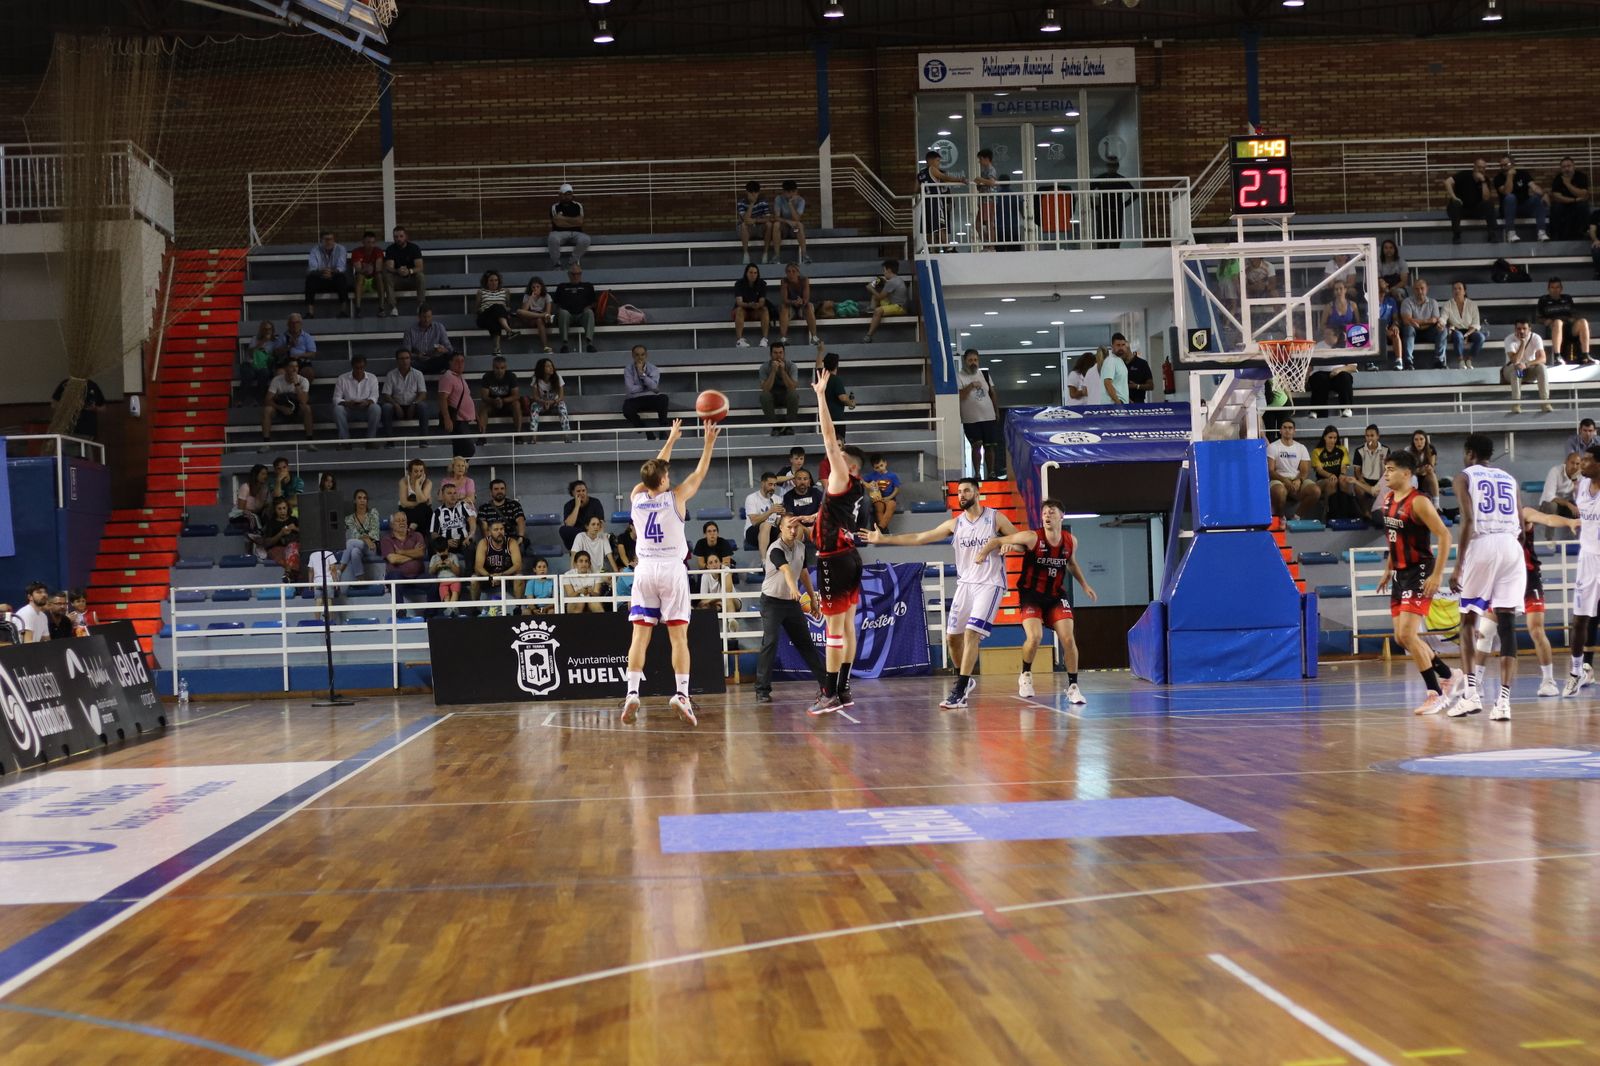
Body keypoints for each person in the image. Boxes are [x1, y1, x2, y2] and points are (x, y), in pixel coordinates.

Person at [867, 478, 1017, 709]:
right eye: (959, 492)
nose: (962, 495)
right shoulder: (955, 524)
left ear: (978, 493)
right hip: (965, 584)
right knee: (952, 638)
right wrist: (884, 538)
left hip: (990, 583)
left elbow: (1022, 541)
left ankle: (960, 689)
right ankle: (963, 678)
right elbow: (919, 538)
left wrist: (1009, 544)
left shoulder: (995, 518)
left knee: (970, 634)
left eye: (967, 491)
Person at [620, 419, 722, 726]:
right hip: (671, 572)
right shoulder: (676, 497)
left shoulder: (637, 496)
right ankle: (681, 695)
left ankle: (632, 693)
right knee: (679, 638)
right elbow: (699, 473)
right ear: (663, 480)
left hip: (645, 570)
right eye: (667, 474)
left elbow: (654, 468)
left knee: (640, 637)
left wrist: (671, 439)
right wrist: (708, 443)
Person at [805, 369, 874, 716]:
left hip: (833, 559)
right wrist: (814, 520)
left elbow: (830, 438)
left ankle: (829, 692)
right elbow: (833, 516)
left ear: (850, 465)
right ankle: (844, 688)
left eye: (842, 457)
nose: (836, 456)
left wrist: (820, 395)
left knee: (834, 629)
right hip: (850, 557)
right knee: (847, 626)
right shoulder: (858, 488)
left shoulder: (842, 475)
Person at [985, 497, 1097, 703]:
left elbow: (1071, 563)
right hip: (1031, 595)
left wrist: (1085, 585)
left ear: (1061, 516)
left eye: (1052, 512)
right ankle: (1025, 675)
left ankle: (1073, 686)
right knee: (1035, 637)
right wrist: (1001, 548)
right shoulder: (1032, 537)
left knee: (1068, 639)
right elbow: (999, 540)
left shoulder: (1071, 541)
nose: (1047, 515)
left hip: (1055, 596)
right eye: (1045, 513)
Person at [1447, 434, 1527, 721]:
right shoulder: (1509, 478)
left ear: (1469, 453)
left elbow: (1468, 520)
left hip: (1483, 544)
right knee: (1507, 626)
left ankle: (1470, 694)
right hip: (1512, 546)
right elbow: (1522, 521)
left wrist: (1457, 567)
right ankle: (1503, 703)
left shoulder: (1464, 477)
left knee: (1467, 621)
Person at [1375, 452, 1456, 715]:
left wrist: (1437, 574)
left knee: (1409, 634)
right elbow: (1392, 539)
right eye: (1385, 469)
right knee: (1401, 637)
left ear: (1406, 474)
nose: (1386, 474)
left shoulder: (1418, 502)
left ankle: (1436, 693)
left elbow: (1445, 535)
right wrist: (1388, 569)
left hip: (1420, 570)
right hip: (1399, 572)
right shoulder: (1388, 499)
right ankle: (1449, 674)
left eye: (1390, 469)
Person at [1525, 446, 1600, 697]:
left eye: (1587, 461)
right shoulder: (1580, 490)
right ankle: (1577, 672)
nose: (1582, 465)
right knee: (1580, 619)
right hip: (1588, 560)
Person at [754, 516, 827, 704]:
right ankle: (762, 689)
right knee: (770, 642)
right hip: (771, 602)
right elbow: (786, 570)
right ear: (781, 528)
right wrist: (794, 589)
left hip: (791, 603)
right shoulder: (775, 549)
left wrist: (812, 599)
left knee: (806, 644)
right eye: (789, 527)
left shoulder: (801, 547)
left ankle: (827, 685)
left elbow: (803, 573)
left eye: (796, 527)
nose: (793, 531)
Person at [1518, 518, 1560, 696]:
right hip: (1503, 577)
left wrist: (1570, 522)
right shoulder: (1490, 517)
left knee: (1536, 630)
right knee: (1486, 631)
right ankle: (1475, 685)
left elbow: (1546, 518)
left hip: (1529, 578)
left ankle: (1549, 680)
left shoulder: (1524, 512)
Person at [956, 348, 1003, 481]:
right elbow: (959, 395)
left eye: (975, 360)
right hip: (971, 419)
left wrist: (996, 411)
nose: (973, 363)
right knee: (976, 445)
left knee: (990, 446)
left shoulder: (985, 375)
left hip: (988, 416)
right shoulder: (959, 376)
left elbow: (992, 393)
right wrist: (970, 386)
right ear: (965, 361)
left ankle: (992, 473)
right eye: (970, 360)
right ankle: (977, 473)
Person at [1267, 419, 1319, 518]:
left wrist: (1299, 480)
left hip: (1296, 480)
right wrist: (1285, 480)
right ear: (1280, 431)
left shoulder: (1301, 447)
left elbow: (1304, 470)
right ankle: (1281, 518)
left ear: (1294, 431)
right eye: (1285, 427)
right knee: (1279, 492)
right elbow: (1270, 471)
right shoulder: (1272, 447)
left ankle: (1296, 517)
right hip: (1279, 480)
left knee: (1315, 491)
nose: (1287, 430)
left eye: (1290, 428)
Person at [1501, 317, 1553, 414]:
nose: (1521, 331)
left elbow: (1543, 359)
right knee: (1517, 370)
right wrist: (1523, 343)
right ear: (1515, 329)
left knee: (1542, 367)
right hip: (1512, 370)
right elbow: (1515, 360)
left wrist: (1527, 364)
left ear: (1529, 329)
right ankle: (1516, 404)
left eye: (1524, 328)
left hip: (1528, 369)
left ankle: (1545, 402)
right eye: (1519, 329)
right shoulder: (1509, 339)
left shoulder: (1536, 337)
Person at [916, 149, 965, 251]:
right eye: (938, 160)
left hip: (926, 204)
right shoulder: (932, 169)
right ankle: (947, 247)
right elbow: (944, 177)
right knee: (941, 227)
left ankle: (930, 249)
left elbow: (915, 190)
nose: (939, 163)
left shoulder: (920, 174)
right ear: (931, 161)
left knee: (929, 229)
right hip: (935, 202)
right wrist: (960, 179)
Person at [1537, 277, 1592, 365]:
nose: (1555, 290)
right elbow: (1538, 318)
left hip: (1568, 328)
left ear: (1561, 289)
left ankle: (1586, 355)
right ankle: (1557, 356)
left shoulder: (1567, 298)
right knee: (1558, 322)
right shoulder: (1543, 300)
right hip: (1553, 328)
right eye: (1552, 287)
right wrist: (1545, 321)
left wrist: (1572, 319)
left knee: (1583, 321)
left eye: (1557, 287)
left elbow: (1575, 315)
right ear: (1548, 289)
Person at [1495, 154, 1549, 242]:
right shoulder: (1498, 178)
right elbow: (1507, 192)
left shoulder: (1523, 174)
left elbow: (1534, 187)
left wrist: (1543, 194)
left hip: (1524, 206)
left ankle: (1541, 232)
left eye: (1506, 165)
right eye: (1501, 165)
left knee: (1537, 197)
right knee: (1510, 197)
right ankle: (1511, 233)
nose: (1503, 167)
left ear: (1512, 164)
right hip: (1508, 209)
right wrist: (1509, 176)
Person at [1443, 157, 1497, 243]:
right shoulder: (1464, 174)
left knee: (1489, 204)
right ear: (1474, 167)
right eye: (1479, 167)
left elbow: (1486, 198)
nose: (1481, 170)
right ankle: (1456, 235)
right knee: (1454, 204)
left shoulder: (1485, 180)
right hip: (1461, 209)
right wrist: (1454, 197)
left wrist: (1483, 181)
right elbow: (1447, 182)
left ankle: (1492, 234)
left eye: (1483, 168)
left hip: (1475, 210)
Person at [380, 512, 427, 612]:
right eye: (398, 521)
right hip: (398, 576)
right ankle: (400, 611)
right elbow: (393, 559)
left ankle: (432, 614)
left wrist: (401, 552)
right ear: (392, 525)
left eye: (403, 520)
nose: (402, 523)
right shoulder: (386, 540)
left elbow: (421, 553)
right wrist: (413, 555)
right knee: (394, 577)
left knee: (434, 582)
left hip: (418, 576)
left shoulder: (417, 535)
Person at [1310, 425, 1359, 517]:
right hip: (1322, 481)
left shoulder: (1342, 449)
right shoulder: (1317, 451)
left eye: (1335, 438)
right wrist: (1330, 475)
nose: (1333, 440)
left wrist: (1342, 474)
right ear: (1324, 437)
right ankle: (1329, 514)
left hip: (1338, 478)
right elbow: (1319, 470)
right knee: (1332, 481)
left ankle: (1346, 514)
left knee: (1344, 480)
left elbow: (1344, 466)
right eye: (1330, 437)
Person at [261, 358, 315, 443]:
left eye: (296, 366)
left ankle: (310, 441)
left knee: (307, 408)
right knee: (267, 410)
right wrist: (281, 408)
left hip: (297, 408)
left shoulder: (303, 380)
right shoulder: (277, 380)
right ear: (285, 368)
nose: (294, 369)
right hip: (280, 408)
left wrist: (297, 384)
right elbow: (267, 400)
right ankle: (266, 442)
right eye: (291, 366)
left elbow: (304, 401)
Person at [380, 347, 431, 436]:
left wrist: (414, 404)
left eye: (407, 358)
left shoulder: (418, 374)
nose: (405, 361)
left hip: (414, 406)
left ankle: (423, 440)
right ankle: (389, 441)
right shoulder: (391, 374)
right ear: (397, 360)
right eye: (402, 358)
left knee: (423, 406)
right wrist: (395, 405)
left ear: (410, 359)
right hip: (396, 406)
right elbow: (386, 394)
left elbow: (423, 394)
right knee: (386, 407)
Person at [623, 344, 670, 439]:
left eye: (642, 354)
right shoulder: (628, 369)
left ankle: (663, 430)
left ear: (646, 355)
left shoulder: (653, 369)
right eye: (637, 355)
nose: (640, 357)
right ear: (633, 356)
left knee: (663, 399)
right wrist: (646, 386)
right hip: (635, 399)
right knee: (626, 409)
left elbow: (654, 386)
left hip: (650, 397)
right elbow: (630, 389)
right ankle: (646, 430)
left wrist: (642, 375)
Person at [473, 518, 523, 608]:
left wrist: (501, 575)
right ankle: (475, 609)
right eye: (496, 530)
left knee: (519, 577)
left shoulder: (511, 542)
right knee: (473, 579)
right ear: (489, 532)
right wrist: (490, 577)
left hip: (506, 575)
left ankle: (517, 608)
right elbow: (478, 566)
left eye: (501, 529)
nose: (499, 532)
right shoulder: (484, 543)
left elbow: (517, 565)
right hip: (488, 576)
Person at [436, 352, 478, 452]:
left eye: (462, 361)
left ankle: (458, 467)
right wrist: (447, 418)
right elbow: (442, 398)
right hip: (457, 420)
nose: (460, 364)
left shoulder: (460, 377)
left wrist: (477, 416)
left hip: (464, 420)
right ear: (450, 363)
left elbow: (467, 398)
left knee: (459, 450)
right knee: (469, 449)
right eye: (457, 361)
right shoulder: (448, 377)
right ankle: (458, 467)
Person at [1399, 277, 1444, 371]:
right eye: (1416, 289)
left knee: (1443, 330)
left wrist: (1417, 322)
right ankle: (1408, 362)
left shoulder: (1433, 302)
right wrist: (1428, 321)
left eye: (1422, 288)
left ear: (1427, 289)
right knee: (1408, 328)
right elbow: (1406, 320)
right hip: (1413, 331)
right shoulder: (1407, 302)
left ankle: (1439, 361)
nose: (1419, 291)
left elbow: (1435, 320)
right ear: (1413, 290)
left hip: (1428, 332)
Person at [303, 231, 351, 318]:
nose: (329, 242)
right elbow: (312, 268)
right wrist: (324, 272)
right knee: (310, 279)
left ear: (334, 240)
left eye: (331, 239)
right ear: (321, 240)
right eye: (326, 239)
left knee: (341, 278)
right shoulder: (315, 250)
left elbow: (341, 267)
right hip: (320, 278)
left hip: (334, 278)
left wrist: (331, 272)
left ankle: (343, 311)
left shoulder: (341, 249)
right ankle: (310, 313)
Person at [332, 355, 380, 441]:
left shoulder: (372, 378)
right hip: (349, 409)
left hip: (366, 410)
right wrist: (347, 403)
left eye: (361, 367)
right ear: (352, 367)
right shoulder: (342, 378)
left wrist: (367, 402)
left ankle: (371, 439)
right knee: (337, 409)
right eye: (356, 368)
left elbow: (374, 397)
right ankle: (345, 441)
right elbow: (336, 398)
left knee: (376, 408)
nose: (359, 370)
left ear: (365, 367)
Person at [340, 489, 384, 582]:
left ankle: (339, 571)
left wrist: (367, 539)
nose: (362, 500)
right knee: (354, 551)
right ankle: (361, 580)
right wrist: (366, 539)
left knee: (350, 543)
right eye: (359, 498)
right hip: (359, 545)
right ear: (354, 501)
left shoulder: (373, 514)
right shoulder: (349, 519)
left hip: (372, 547)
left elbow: (374, 533)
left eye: (364, 498)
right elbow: (354, 534)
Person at [863, 259, 910, 343]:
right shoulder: (897, 279)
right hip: (893, 303)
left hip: (899, 308)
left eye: (884, 270)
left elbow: (879, 297)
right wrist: (883, 282)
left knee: (878, 310)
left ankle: (868, 335)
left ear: (889, 270)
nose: (883, 273)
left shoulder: (891, 282)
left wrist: (870, 288)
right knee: (875, 297)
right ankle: (871, 310)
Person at [553, 263, 597, 354]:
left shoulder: (588, 286)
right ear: (569, 275)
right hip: (567, 315)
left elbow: (594, 302)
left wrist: (588, 307)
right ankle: (564, 344)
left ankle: (589, 344)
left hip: (582, 314)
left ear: (581, 274)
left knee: (589, 312)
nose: (576, 276)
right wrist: (560, 310)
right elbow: (556, 303)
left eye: (578, 274)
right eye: (573, 274)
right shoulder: (561, 286)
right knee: (563, 313)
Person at [759, 341, 801, 434]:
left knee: (794, 395)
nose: (778, 356)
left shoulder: (791, 366)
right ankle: (775, 427)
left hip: (786, 395)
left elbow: (792, 387)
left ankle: (789, 426)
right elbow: (765, 389)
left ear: (784, 353)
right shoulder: (764, 367)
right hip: (772, 396)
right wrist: (773, 371)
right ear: (770, 354)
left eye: (780, 353)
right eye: (775, 353)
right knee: (764, 396)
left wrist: (782, 371)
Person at [383, 225, 427, 314]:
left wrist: (409, 271)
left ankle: (421, 305)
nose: (398, 239)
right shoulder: (390, 249)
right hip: (398, 279)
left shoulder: (414, 248)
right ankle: (393, 307)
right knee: (388, 276)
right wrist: (398, 271)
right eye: (396, 237)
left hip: (411, 278)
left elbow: (420, 267)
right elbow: (389, 267)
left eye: (401, 236)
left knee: (420, 275)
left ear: (406, 236)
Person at [1440, 281, 1484, 369]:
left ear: (1464, 291)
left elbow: (1476, 323)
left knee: (1481, 337)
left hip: (1470, 330)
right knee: (1458, 336)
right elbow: (1443, 318)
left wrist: (1467, 334)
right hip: (1456, 330)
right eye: (1455, 289)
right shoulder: (1447, 305)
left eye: (1460, 288)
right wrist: (1440, 323)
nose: (1457, 291)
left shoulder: (1472, 304)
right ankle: (1461, 361)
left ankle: (1469, 359)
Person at [477, 354, 526, 434]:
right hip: (492, 404)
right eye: (497, 368)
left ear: (505, 368)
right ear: (493, 367)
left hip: (507, 404)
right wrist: (494, 401)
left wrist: (502, 401)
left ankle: (518, 434)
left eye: (502, 368)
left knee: (516, 404)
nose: (499, 370)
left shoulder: (511, 376)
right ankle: (482, 436)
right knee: (483, 406)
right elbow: (484, 396)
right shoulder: (487, 376)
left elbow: (516, 395)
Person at [477, 478, 527, 555]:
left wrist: (520, 537)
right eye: (496, 489)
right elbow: (484, 528)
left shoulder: (514, 505)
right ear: (491, 492)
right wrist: (493, 544)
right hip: (492, 540)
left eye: (502, 488)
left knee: (519, 550)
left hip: (512, 539)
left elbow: (520, 520)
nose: (499, 491)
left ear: (505, 490)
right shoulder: (484, 508)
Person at [475, 270, 519, 356]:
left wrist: (506, 308)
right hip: (485, 317)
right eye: (491, 280)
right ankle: (509, 330)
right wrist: (481, 310)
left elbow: (508, 307)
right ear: (486, 282)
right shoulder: (481, 292)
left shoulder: (505, 291)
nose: (494, 282)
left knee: (497, 316)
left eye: (496, 280)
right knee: (496, 306)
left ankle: (497, 349)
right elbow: (477, 309)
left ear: (499, 281)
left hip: (500, 317)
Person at [548, 183, 590, 269]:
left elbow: (580, 222)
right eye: (565, 194)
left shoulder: (578, 206)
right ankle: (557, 264)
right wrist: (573, 220)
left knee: (586, 239)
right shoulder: (555, 207)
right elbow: (557, 223)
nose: (567, 196)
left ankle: (572, 263)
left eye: (569, 194)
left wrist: (563, 219)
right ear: (560, 195)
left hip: (576, 233)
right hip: (559, 233)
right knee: (552, 238)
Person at [430, 481, 476, 558]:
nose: (453, 496)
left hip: (463, 541)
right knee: (433, 546)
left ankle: (470, 570)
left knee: (470, 547)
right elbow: (434, 534)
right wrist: (445, 542)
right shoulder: (438, 512)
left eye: (455, 493)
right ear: (443, 496)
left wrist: (470, 536)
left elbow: (472, 520)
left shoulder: (463, 506)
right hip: (446, 542)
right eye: (449, 493)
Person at [402, 306, 454, 374]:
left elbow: (450, 349)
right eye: (424, 317)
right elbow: (406, 353)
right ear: (419, 317)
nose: (427, 320)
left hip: (435, 361)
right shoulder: (409, 330)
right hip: (418, 362)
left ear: (432, 316)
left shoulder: (439, 327)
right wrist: (417, 356)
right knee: (405, 362)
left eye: (429, 317)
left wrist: (443, 350)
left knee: (449, 357)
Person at [529, 356, 572, 437]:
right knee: (534, 406)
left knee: (562, 406)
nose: (551, 368)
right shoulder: (536, 378)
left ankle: (567, 435)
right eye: (548, 366)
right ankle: (533, 436)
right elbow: (535, 397)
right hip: (542, 403)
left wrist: (552, 402)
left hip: (555, 402)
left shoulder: (557, 377)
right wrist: (544, 402)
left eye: (551, 365)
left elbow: (561, 396)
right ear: (542, 368)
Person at [349, 230, 388, 317]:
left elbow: (378, 268)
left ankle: (381, 308)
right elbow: (358, 269)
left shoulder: (378, 251)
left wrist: (370, 269)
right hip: (362, 282)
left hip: (374, 281)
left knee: (379, 275)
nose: (371, 245)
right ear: (363, 242)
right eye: (368, 242)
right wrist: (366, 270)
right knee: (359, 276)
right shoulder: (356, 252)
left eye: (373, 242)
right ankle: (358, 308)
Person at [260, 499, 301, 581]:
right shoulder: (271, 523)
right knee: (290, 550)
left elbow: (306, 534)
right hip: (278, 549)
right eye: (279, 509)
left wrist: (295, 528)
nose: (282, 511)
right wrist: (280, 534)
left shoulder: (294, 520)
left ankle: (288, 573)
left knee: (292, 546)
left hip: (295, 547)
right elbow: (267, 543)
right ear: (275, 510)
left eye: (284, 508)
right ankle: (291, 575)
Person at [732, 262, 772, 348]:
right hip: (743, 309)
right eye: (750, 272)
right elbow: (739, 302)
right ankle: (739, 340)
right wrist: (749, 305)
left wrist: (757, 305)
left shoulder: (762, 284)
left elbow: (762, 301)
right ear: (746, 273)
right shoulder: (739, 284)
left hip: (755, 310)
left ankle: (764, 339)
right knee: (739, 310)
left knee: (764, 309)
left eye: (755, 273)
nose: (753, 275)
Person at [777, 262, 817, 346]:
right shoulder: (784, 281)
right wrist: (793, 302)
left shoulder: (804, 280)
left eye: (793, 271)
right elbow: (784, 299)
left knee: (809, 305)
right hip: (790, 308)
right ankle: (783, 338)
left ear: (798, 272)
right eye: (788, 271)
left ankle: (814, 337)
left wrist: (801, 301)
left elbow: (806, 299)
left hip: (802, 307)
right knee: (783, 307)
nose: (791, 274)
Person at [735, 180, 773, 264]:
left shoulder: (763, 201)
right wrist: (752, 204)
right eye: (751, 192)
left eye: (755, 192)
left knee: (769, 225)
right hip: (745, 229)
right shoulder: (741, 202)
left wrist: (755, 220)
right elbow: (745, 219)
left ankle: (765, 254)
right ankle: (745, 254)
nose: (753, 195)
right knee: (744, 225)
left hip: (758, 227)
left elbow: (768, 218)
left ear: (758, 192)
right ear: (747, 192)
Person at [744, 470, 784, 551]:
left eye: (774, 485)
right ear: (762, 483)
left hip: (771, 530)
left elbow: (776, 523)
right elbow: (754, 521)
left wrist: (782, 515)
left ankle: (780, 559)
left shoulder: (778, 499)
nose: (773, 487)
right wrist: (770, 511)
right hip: (752, 531)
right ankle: (764, 560)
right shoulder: (751, 498)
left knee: (784, 533)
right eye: (770, 484)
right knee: (766, 525)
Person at [560, 480, 606, 551]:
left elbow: (601, 523)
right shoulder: (568, 505)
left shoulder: (595, 502)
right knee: (563, 530)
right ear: (573, 493)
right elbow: (569, 524)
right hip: (576, 536)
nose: (581, 493)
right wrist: (577, 506)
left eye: (583, 490)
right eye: (578, 491)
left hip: (591, 533)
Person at [1353, 424, 1388, 511]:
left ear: (1377, 436)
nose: (1369, 438)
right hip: (1365, 480)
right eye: (1367, 436)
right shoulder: (1359, 450)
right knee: (1357, 487)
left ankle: (1382, 513)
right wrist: (1363, 482)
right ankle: (1366, 513)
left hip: (1380, 481)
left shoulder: (1386, 449)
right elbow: (1357, 471)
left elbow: (1388, 469)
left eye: (1372, 435)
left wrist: (1381, 483)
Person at [774, 180, 809, 264]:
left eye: (793, 191)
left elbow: (797, 219)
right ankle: (776, 256)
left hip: (795, 230)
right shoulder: (779, 199)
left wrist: (790, 204)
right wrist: (788, 221)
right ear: (784, 192)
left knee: (799, 225)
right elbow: (776, 217)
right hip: (784, 229)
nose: (791, 194)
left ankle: (805, 256)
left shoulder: (801, 200)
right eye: (788, 192)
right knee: (776, 225)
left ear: (796, 191)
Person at [516, 278, 555, 354]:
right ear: (530, 288)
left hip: (542, 320)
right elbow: (524, 310)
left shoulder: (547, 296)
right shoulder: (527, 296)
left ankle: (546, 347)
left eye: (537, 287)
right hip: (530, 317)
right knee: (519, 311)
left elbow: (548, 313)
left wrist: (543, 315)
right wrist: (531, 298)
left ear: (541, 287)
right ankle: (539, 315)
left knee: (539, 320)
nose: (535, 289)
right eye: (533, 287)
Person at [971, 147, 1000, 251]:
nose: (979, 161)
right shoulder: (984, 171)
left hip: (989, 199)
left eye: (980, 159)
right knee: (979, 224)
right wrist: (979, 183)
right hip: (984, 199)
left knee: (988, 223)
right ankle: (987, 243)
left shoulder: (991, 169)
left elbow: (992, 182)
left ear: (986, 159)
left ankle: (990, 245)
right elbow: (984, 184)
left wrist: (980, 179)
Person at [1539, 452, 1580, 522]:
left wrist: (1575, 481)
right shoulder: (1555, 471)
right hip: (1548, 504)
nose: (1574, 467)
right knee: (1552, 507)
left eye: (1577, 464)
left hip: (1567, 506)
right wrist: (1568, 504)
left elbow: (1579, 498)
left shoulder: (1580, 475)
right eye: (1572, 463)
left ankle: (1580, 532)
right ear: (1566, 462)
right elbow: (1549, 497)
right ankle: (1549, 533)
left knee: (1581, 510)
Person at [428, 536, 465, 614]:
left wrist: (451, 565)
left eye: (444, 551)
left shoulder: (453, 556)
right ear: (435, 551)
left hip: (454, 579)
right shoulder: (434, 558)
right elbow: (431, 572)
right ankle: (450, 608)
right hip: (442, 581)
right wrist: (436, 565)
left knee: (455, 591)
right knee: (445, 594)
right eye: (439, 552)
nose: (442, 553)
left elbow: (458, 572)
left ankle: (451, 608)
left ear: (447, 547)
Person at [397, 458, 433, 534]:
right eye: (416, 471)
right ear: (410, 472)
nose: (419, 474)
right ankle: (418, 533)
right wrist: (418, 502)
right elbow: (404, 503)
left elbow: (422, 501)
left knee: (425, 510)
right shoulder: (403, 481)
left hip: (422, 510)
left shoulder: (428, 482)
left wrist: (417, 483)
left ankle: (412, 529)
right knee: (422, 508)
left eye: (421, 471)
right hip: (406, 510)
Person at [242, 322, 277, 401]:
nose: (267, 331)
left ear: (272, 330)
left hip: (263, 365)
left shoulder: (275, 342)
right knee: (248, 373)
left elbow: (274, 358)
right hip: (250, 363)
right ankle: (243, 398)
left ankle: (260, 398)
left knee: (264, 373)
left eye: (269, 329)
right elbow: (250, 354)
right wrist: (262, 343)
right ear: (261, 330)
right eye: (265, 329)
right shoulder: (255, 339)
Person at [866, 455, 900, 532]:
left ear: (885, 463)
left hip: (890, 497)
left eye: (881, 465)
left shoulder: (892, 476)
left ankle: (881, 528)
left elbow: (897, 489)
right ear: (873, 468)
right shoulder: (872, 476)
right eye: (877, 467)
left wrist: (889, 497)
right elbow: (861, 479)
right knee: (879, 507)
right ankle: (884, 529)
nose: (880, 469)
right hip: (878, 498)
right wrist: (868, 484)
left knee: (891, 506)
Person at [1406, 430, 1440, 501]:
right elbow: (1408, 470)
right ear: (1413, 441)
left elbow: (1431, 467)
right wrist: (1420, 470)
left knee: (1431, 474)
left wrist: (1423, 469)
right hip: (1412, 478)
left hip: (1425, 479)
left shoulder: (1431, 449)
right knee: (1412, 477)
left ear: (1425, 440)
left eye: (1421, 439)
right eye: (1416, 440)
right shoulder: (1408, 451)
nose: (1419, 442)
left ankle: (1436, 504)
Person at [1102, 337, 1131, 404]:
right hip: (1114, 405)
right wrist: (1118, 402)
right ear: (1112, 346)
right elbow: (1107, 383)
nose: (1121, 348)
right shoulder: (1111, 361)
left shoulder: (1119, 360)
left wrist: (1127, 398)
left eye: (1123, 345)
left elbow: (1119, 384)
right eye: (1118, 345)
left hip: (1120, 403)